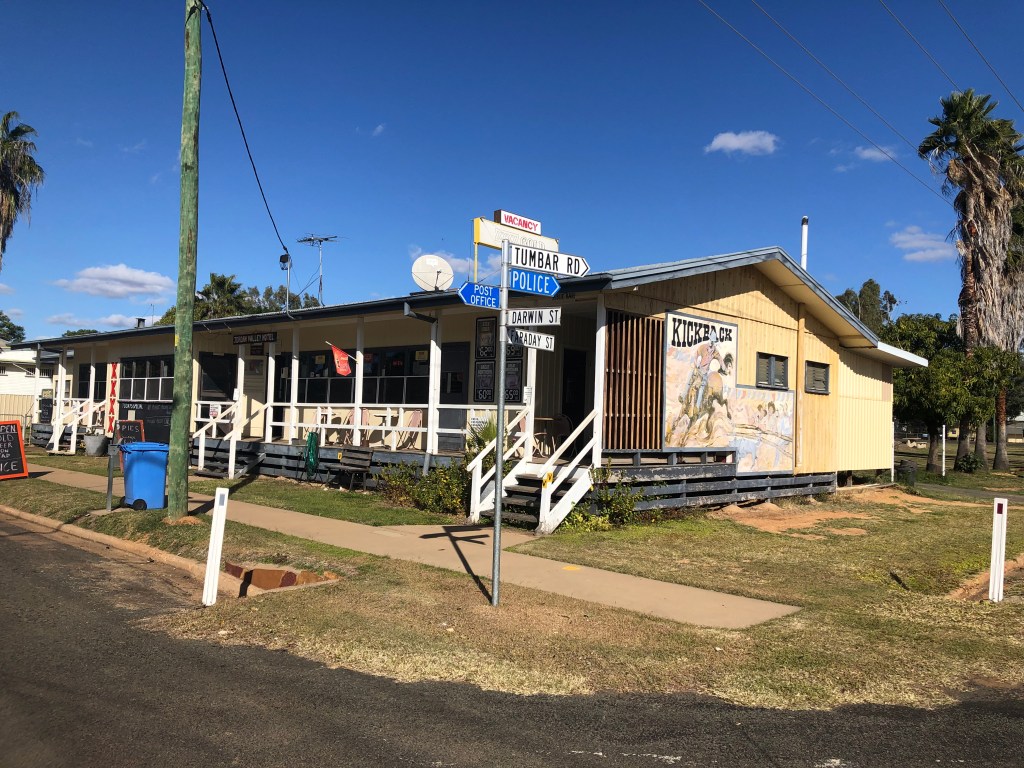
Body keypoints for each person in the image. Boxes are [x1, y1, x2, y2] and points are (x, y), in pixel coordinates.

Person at [683, 328, 723, 419]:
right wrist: (695, 362)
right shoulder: (703, 347)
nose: (712, 343)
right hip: (698, 369)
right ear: (710, 340)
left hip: (705, 373)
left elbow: (720, 359)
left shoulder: (715, 351)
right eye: (711, 340)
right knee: (690, 377)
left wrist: (723, 367)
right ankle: (683, 395)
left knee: (702, 387)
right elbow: (696, 353)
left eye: (714, 341)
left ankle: (697, 407)